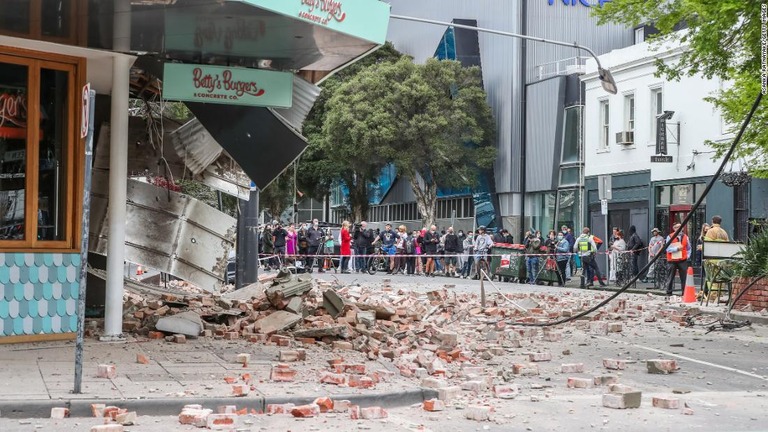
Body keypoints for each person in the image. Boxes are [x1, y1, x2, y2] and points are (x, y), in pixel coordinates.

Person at [665, 223, 692, 298]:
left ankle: (684, 293)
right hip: (672, 260)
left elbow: (689, 248)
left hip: (682, 260)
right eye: (676, 227)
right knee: (670, 277)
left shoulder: (685, 237)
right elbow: (667, 249)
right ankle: (668, 292)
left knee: (684, 277)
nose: (678, 228)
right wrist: (676, 249)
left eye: (680, 227)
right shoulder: (669, 236)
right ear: (674, 228)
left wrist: (687, 256)